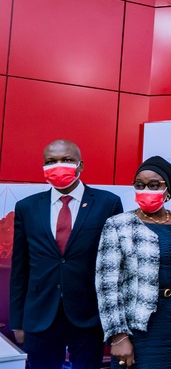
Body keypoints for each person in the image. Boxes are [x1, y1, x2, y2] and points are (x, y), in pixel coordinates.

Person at [10, 139, 123, 369]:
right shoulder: (27, 207)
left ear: (81, 165)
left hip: (88, 315)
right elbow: (20, 268)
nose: (58, 165)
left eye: (67, 160)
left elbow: (116, 267)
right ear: (43, 167)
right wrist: (18, 321)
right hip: (40, 316)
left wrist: (115, 324)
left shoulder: (107, 203)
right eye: (51, 161)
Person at [96, 156, 171, 368]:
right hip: (139, 329)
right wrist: (118, 337)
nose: (146, 189)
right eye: (140, 185)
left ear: (168, 190)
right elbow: (107, 285)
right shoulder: (118, 225)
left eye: (154, 185)